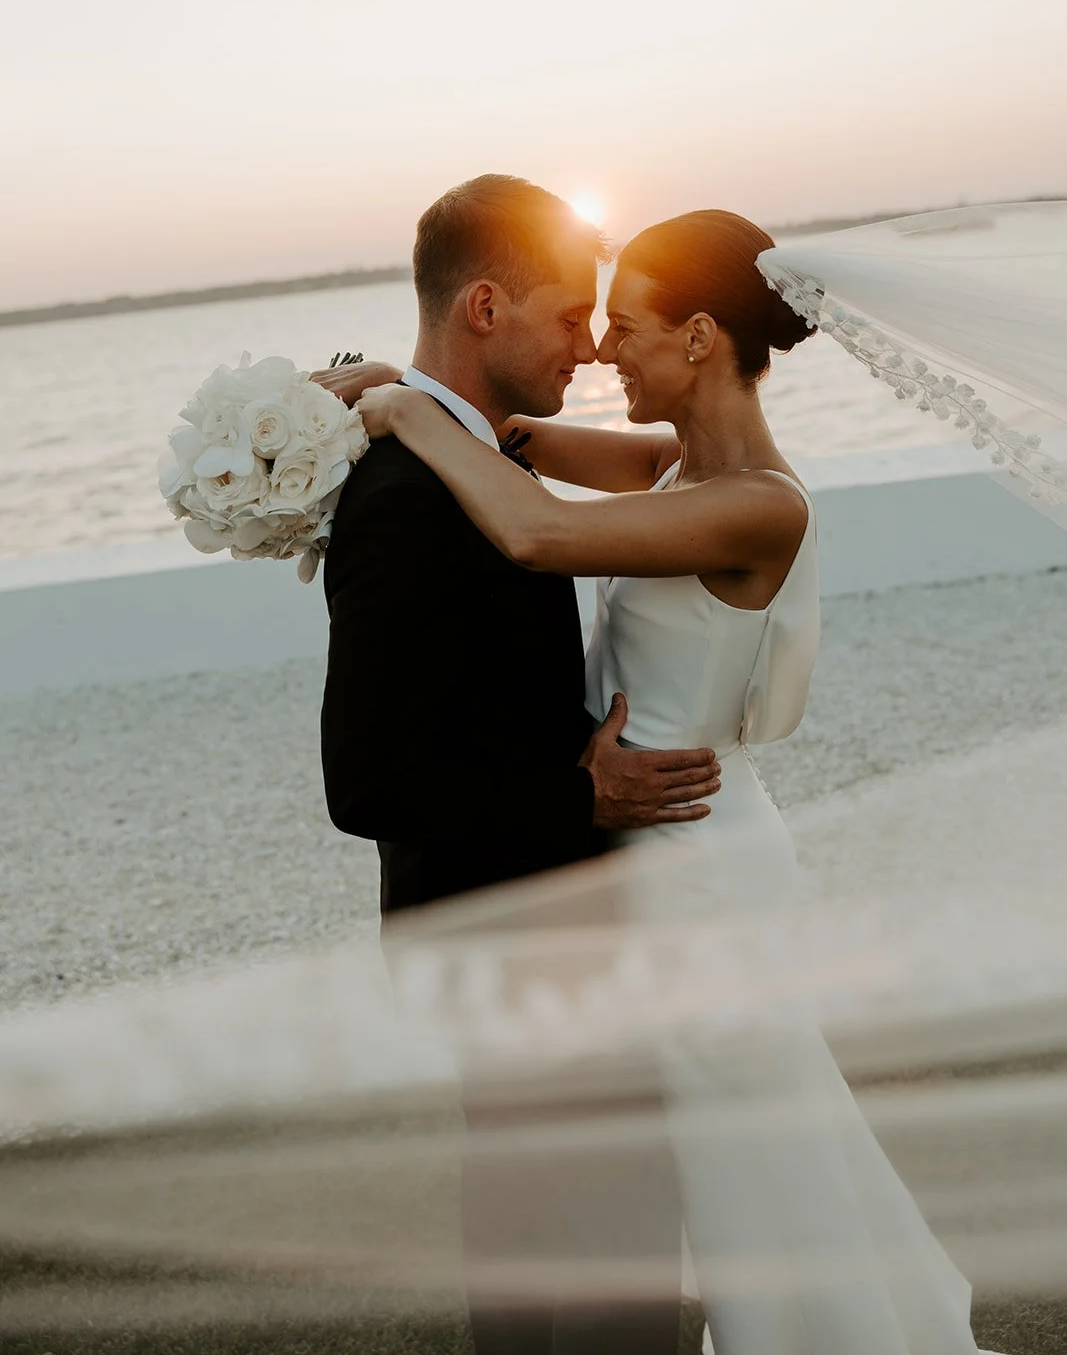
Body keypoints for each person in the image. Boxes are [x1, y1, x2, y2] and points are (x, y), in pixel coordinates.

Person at [352, 206, 992, 1353]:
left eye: (626, 324)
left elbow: (533, 529)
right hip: (648, 855)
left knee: (751, 1166)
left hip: (695, 864)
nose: (599, 348)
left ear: (698, 337)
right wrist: (365, 382)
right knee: (707, 1165)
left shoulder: (757, 505)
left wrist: (399, 409)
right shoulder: (675, 466)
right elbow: (510, 442)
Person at [318, 174, 720, 1355]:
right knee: (603, 1273)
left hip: (537, 926)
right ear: (484, 306)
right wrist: (577, 790)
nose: (587, 347)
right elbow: (367, 782)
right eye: (565, 315)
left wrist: (404, 400)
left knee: (545, 1251)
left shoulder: (460, 452)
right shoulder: (401, 494)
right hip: (511, 933)